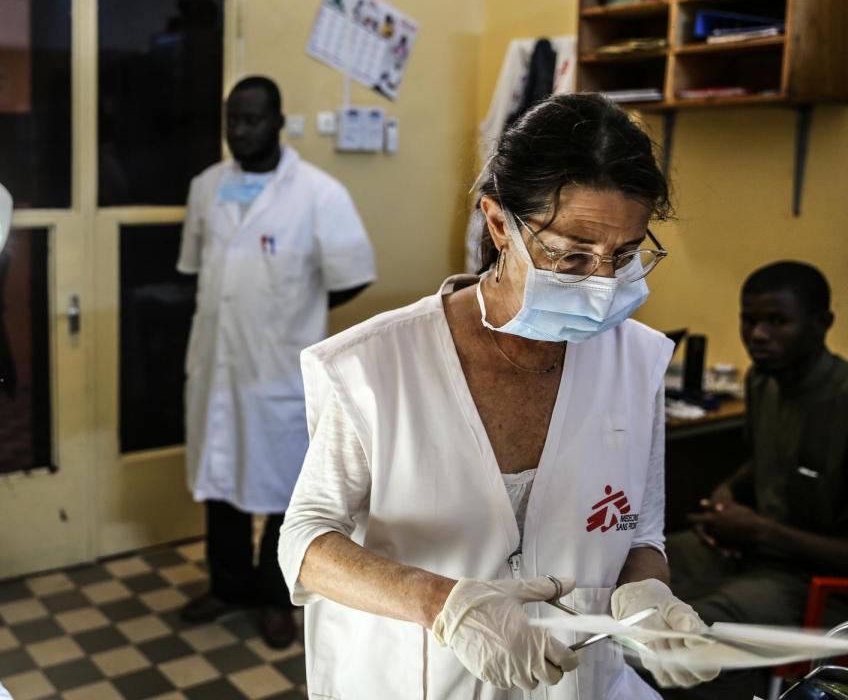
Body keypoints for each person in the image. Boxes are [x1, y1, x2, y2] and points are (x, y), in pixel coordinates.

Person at [279, 93, 719, 698]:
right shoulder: (374, 365)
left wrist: (647, 595)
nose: (601, 283)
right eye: (570, 254)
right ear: (498, 223)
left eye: (624, 255)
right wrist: (444, 604)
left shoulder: (636, 361)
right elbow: (305, 542)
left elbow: (639, 534)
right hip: (416, 680)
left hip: (576, 683)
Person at [176, 75, 376, 648]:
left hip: (276, 371)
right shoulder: (205, 187)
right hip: (216, 365)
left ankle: (275, 596)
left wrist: (293, 309)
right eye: (231, 120)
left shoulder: (319, 193)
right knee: (220, 481)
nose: (239, 131)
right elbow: (197, 269)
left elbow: (351, 277)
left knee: (285, 491)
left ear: (278, 122)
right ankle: (227, 587)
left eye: (252, 119)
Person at [667, 261, 848, 699]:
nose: (758, 335)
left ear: (821, 324)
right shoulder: (763, 382)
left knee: (684, 638)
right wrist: (729, 492)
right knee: (628, 578)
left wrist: (757, 529)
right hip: (755, 551)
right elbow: (770, 460)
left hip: (816, 582)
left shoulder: (842, 403)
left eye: (777, 321)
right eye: (749, 321)